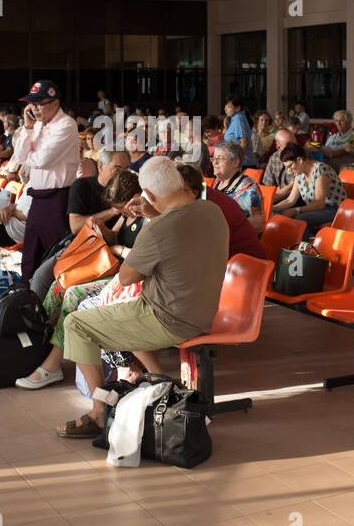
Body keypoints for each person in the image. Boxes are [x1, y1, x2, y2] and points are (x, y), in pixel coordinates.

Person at [54, 158, 229, 438]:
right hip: (203, 311)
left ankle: (99, 411)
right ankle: (160, 381)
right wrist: (155, 214)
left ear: (148, 195)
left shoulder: (159, 229)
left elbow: (126, 277)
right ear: (180, 182)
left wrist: (151, 217)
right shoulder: (212, 210)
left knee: (76, 324)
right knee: (121, 309)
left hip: (167, 317)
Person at [17, 170, 147, 390]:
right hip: (112, 267)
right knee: (59, 286)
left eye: (124, 205)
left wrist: (118, 248)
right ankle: (43, 347)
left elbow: (142, 259)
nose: (122, 210)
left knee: (73, 294)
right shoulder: (128, 213)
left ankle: (53, 362)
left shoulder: (147, 218)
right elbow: (114, 235)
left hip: (128, 277)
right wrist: (102, 231)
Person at [26, 149, 131, 300]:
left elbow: (115, 236)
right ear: (100, 166)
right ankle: (35, 317)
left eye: (126, 169)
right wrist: (113, 212)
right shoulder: (82, 186)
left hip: (107, 253)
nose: (122, 174)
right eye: (117, 169)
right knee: (41, 277)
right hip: (79, 244)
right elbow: (75, 226)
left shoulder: (128, 193)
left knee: (69, 289)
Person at [12, 79, 82, 281]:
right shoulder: (37, 125)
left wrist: (29, 156)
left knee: (56, 256)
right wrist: (27, 127)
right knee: (30, 255)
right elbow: (19, 156)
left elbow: (42, 160)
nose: (34, 108)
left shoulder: (66, 125)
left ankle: (52, 303)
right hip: (38, 197)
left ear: (54, 102)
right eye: (31, 104)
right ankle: (26, 297)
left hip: (57, 198)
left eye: (39, 103)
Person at [174, 163, 265, 261]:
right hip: (230, 260)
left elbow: (201, 248)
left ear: (192, 191)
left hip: (247, 265)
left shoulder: (213, 207)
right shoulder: (202, 195)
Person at [274, 143, 347, 234]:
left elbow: (319, 203)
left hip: (334, 209)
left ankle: (302, 247)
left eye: (290, 166)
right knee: (276, 214)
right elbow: (290, 200)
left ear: (299, 160)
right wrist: (273, 208)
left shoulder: (321, 170)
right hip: (317, 209)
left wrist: (296, 210)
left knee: (300, 219)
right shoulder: (300, 174)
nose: (289, 171)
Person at [210, 139, 264, 231]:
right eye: (214, 158)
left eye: (220, 159)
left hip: (237, 239)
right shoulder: (218, 181)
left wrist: (226, 222)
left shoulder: (248, 188)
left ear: (235, 162)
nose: (214, 163)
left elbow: (258, 222)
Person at [222, 96, 256, 168]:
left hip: (243, 164)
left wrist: (238, 160)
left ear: (237, 108)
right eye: (225, 107)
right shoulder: (234, 118)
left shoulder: (238, 119)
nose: (226, 110)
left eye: (228, 108)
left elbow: (244, 142)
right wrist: (226, 127)